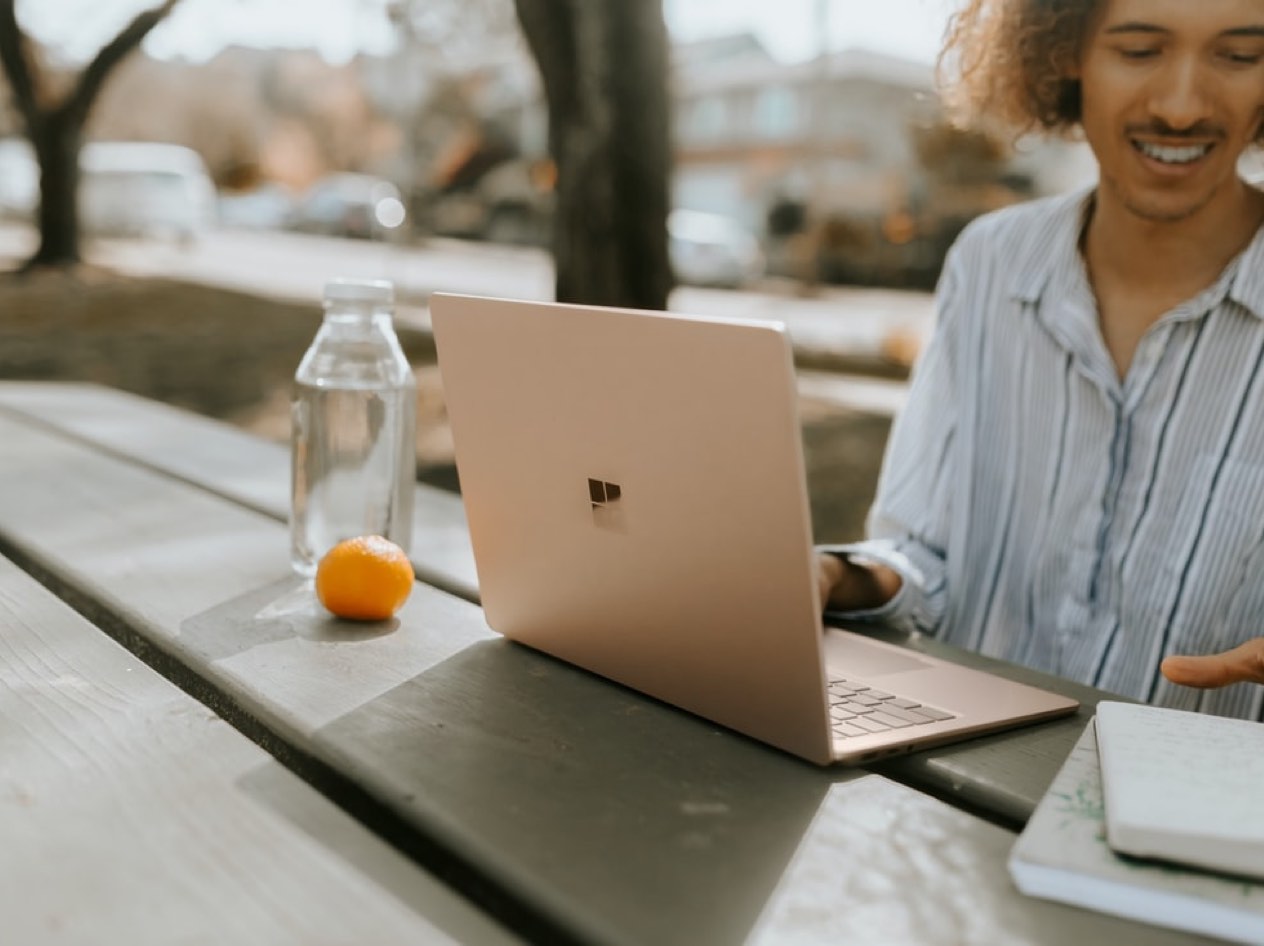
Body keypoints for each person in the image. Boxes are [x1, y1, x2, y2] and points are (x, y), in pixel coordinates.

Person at [816, 0, 1264, 720]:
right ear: (1064, 54)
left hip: (1203, 819)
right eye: (1140, 50)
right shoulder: (990, 262)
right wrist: (833, 576)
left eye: (1240, 57)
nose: (1182, 108)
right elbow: (920, 554)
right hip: (957, 788)